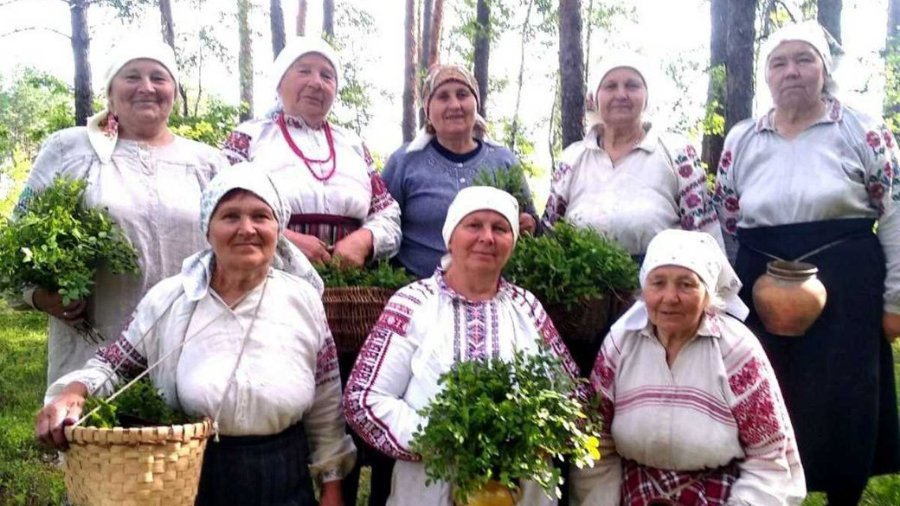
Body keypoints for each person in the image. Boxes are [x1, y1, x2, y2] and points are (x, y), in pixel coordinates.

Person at [36, 168, 355, 505]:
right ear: (207, 229)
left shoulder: (303, 301)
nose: (247, 229)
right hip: (189, 476)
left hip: (284, 475)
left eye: (261, 216)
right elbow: (114, 364)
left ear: (278, 228)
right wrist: (74, 391)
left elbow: (326, 402)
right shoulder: (171, 299)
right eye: (230, 216)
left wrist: (332, 485)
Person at [713, 21, 900, 504]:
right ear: (767, 76)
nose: (791, 71)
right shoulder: (741, 139)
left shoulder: (864, 130)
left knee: (846, 393)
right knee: (766, 388)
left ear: (824, 69)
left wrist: (896, 300)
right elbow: (727, 223)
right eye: (779, 62)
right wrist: (726, 299)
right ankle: (766, 491)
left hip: (847, 280)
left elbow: (895, 215)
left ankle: (844, 492)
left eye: (804, 60)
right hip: (759, 277)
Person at [343, 186, 583, 506]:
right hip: (429, 488)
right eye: (473, 225)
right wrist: (440, 439)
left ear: (513, 241)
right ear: (450, 237)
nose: (487, 237)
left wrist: (535, 438)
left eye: (500, 228)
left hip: (520, 491)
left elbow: (573, 396)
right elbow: (363, 398)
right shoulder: (412, 303)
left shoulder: (527, 308)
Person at [12, 41, 225, 385]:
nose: (147, 87)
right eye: (132, 76)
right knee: (96, 418)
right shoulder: (69, 149)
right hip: (91, 348)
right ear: (110, 92)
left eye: (159, 77)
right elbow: (17, 239)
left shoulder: (207, 163)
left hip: (188, 350)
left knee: (183, 417)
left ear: (174, 92)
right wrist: (40, 296)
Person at [571, 229, 806, 506]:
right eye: (658, 283)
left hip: (720, 494)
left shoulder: (736, 351)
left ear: (708, 295)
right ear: (644, 289)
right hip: (634, 492)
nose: (670, 297)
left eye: (686, 285)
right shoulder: (620, 343)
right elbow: (596, 442)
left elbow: (769, 456)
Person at [223, 36, 401, 268]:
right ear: (279, 83)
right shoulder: (249, 137)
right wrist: (284, 241)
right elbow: (218, 209)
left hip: (352, 282)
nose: (316, 83)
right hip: (267, 274)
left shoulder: (353, 145)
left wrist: (365, 240)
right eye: (304, 71)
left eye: (327, 76)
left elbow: (387, 214)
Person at [541, 54, 723, 260]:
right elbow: (550, 235)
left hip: (661, 279)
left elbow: (704, 235)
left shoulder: (677, 153)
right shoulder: (572, 159)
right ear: (594, 98)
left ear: (646, 96)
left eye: (632, 85)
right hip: (581, 279)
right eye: (610, 86)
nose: (621, 94)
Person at [381, 64, 538, 278]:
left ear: (476, 103)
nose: (454, 105)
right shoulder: (404, 162)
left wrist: (529, 224)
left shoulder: (503, 161)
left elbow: (532, 223)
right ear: (428, 109)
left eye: (462, 95)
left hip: (492, 289)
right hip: (416, 289)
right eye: (443, 97)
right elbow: (384, 223)